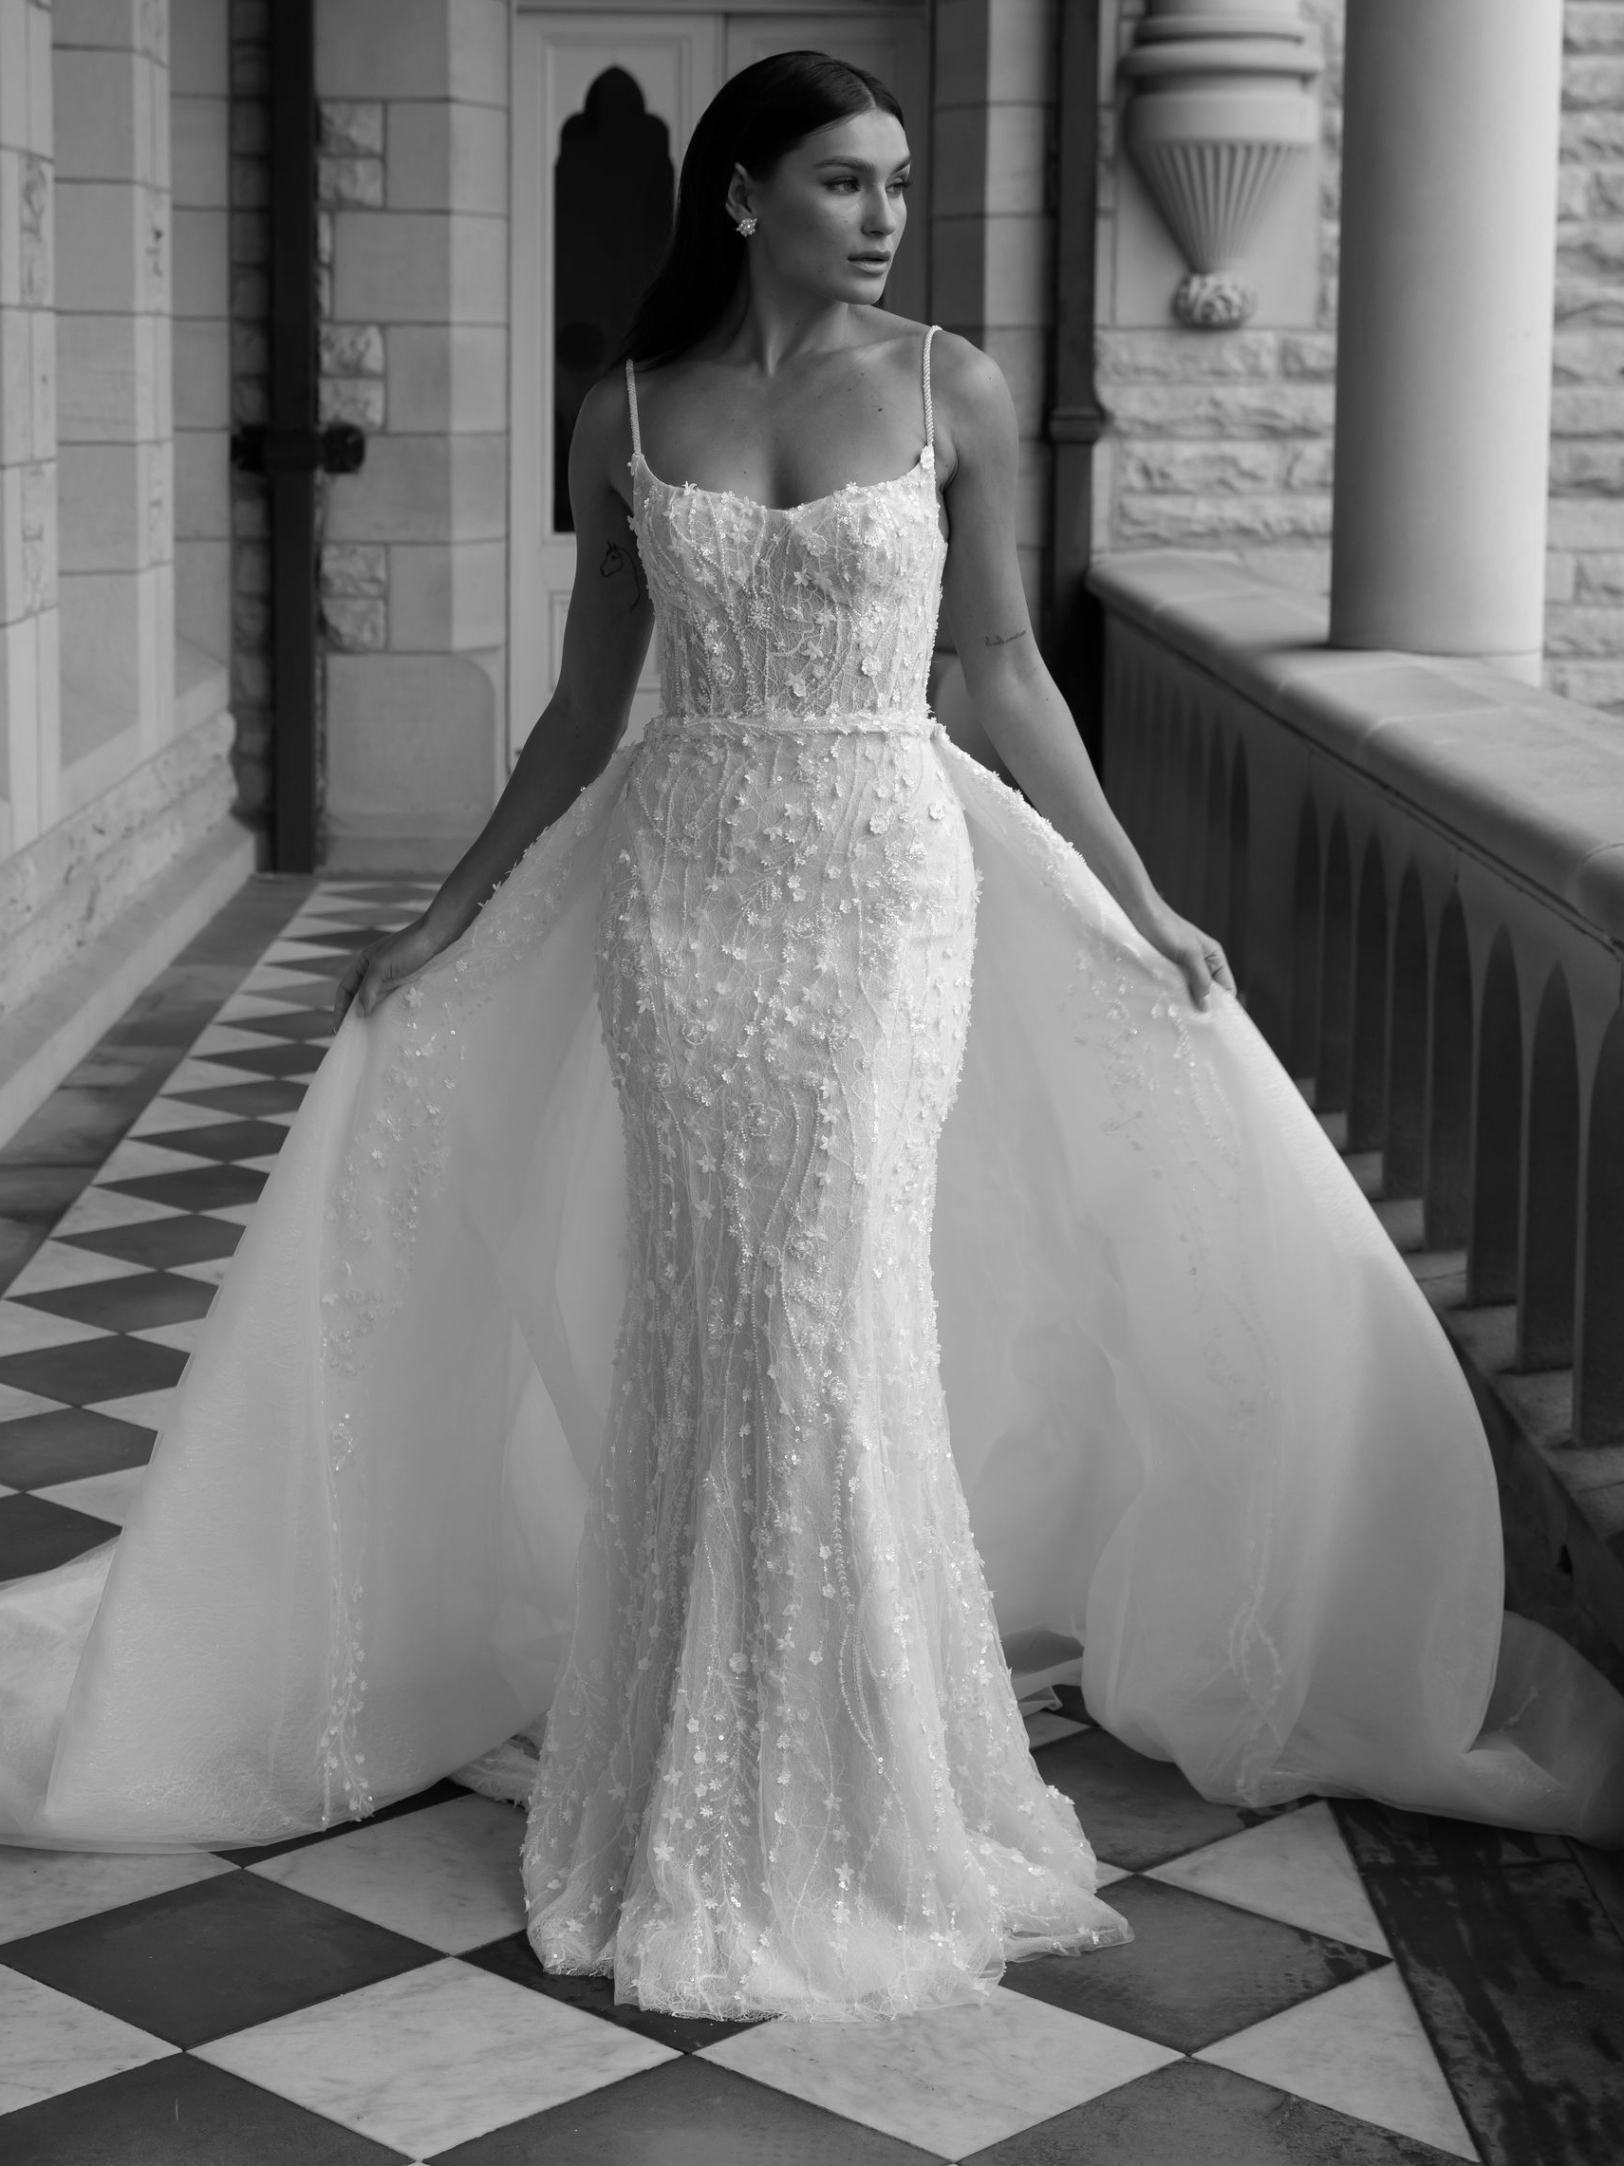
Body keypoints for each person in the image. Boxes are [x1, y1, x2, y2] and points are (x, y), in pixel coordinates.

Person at [0, 52, 1620, 2026]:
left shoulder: (950, 386)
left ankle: (860, 1765)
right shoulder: (627, 414)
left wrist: (1133, 895)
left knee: (825, 1298)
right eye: (846, 183)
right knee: (711, 1309)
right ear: (744, 189)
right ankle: (681, 1757)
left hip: (877, 892)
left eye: (900, 185)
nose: (881, 218)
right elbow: (586, 709)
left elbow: (1003, 665)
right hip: (681, 897)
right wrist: (444, 911)